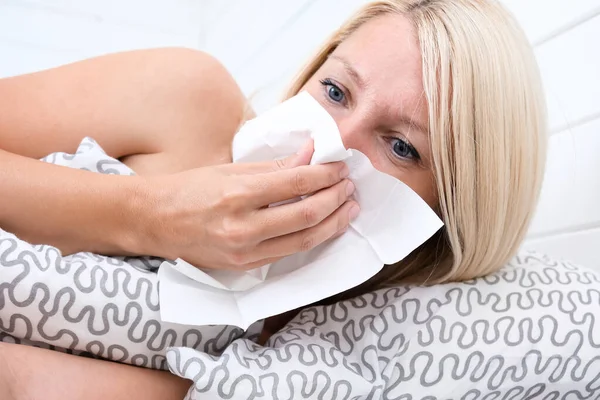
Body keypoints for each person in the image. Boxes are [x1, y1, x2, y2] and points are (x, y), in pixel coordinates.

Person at [0, 0, 547, 398]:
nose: (331, 146)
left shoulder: (352, 352)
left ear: (448, 211)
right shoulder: (186, 98)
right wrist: (150, 215)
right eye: (335, 92)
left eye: (401, 146)